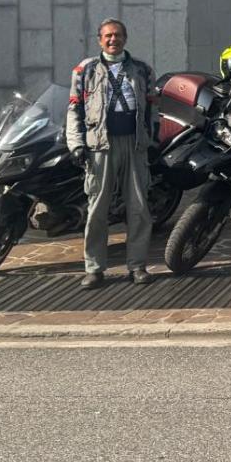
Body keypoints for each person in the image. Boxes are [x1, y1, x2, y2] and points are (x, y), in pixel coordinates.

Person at [66, 18, 156, 290]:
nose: (113, 39)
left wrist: (152, 140)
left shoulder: (142, 69)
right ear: (100, 40)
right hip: (100, 145)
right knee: (97, 208)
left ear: (125, 38)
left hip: (134, 143)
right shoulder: (85, 70)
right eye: (108, 36)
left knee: (139, 207)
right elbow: (74, 110)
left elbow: (152, 109)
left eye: (117, 35)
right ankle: (94, 269)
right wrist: (76, 144)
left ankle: (137, 265)